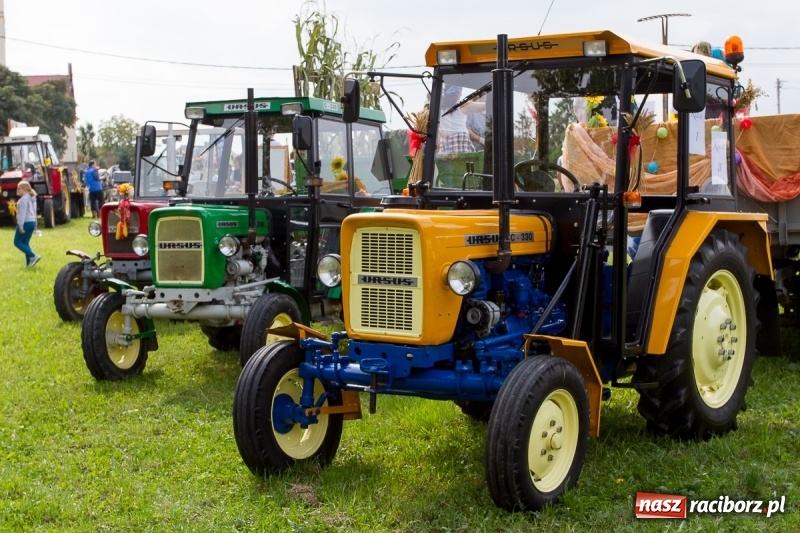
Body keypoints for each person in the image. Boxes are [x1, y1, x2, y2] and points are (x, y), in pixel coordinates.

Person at [438, 85, 485, 154]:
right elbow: (484, 106)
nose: (461, 95)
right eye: (460, 92)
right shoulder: (462, 105)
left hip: (446, 141)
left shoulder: (439, 107)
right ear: (456, 94)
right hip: (461, 140)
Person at [13, 180, 41, 267]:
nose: (18, 190)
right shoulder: (31, 198)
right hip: (31, 222)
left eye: (19, 188)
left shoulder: (23, 200)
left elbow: (23, 214)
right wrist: (35, 225)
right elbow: (34, 212)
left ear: (25, 189)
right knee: (25, 243)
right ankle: (29, 263)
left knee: (17, 242)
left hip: (25, 222)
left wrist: (20, 226)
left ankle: (33, 256)